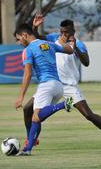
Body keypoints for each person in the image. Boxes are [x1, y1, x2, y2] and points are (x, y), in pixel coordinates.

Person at [22, 16, 101, 150]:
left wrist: (75, 46)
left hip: (69, 86)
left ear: (73, 31)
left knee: (89, 115)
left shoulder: (79, 44)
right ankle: (30, 139)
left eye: (66, 32)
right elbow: (37, 38)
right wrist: (35, 27)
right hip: (53, 83)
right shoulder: (54, 38)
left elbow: (86, 62)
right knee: (28, 109)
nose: (63, 35)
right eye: (62, 32)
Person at [14, 23, 74, 156]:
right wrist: (63, 42)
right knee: (36, 118)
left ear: (25, 35)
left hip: (46, 85)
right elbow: (70, 51)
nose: (19, 42)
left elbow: (28, 74)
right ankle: (28, 149)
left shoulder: (28, 50)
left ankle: (64, 105)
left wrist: (20, 97)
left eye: (19, 39)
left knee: (36, 116)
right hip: (58, 86)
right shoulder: (48, 44)